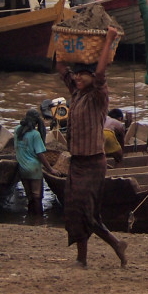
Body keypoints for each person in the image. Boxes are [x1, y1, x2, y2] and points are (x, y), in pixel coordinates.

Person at [54, 25, 127, 268]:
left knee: (88, 211)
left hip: (94, 162)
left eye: (83, 74)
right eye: (77, 75)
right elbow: (61, 67)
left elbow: (102, 72)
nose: (78, 77)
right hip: (76, 161)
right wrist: (61, 41)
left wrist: (108, 39)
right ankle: (82, 258)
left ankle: (115, 243)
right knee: (74, 211)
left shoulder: (98, 95)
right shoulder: (75, 93)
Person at [15, 109, 48, 216]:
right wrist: (50, 168)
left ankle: (30, 217)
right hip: (34, 169)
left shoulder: (17, 130)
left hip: (22, 168)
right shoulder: (35, 134)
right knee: (37, 196)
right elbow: (40, 154)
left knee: (30, 196)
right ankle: (38, 219)